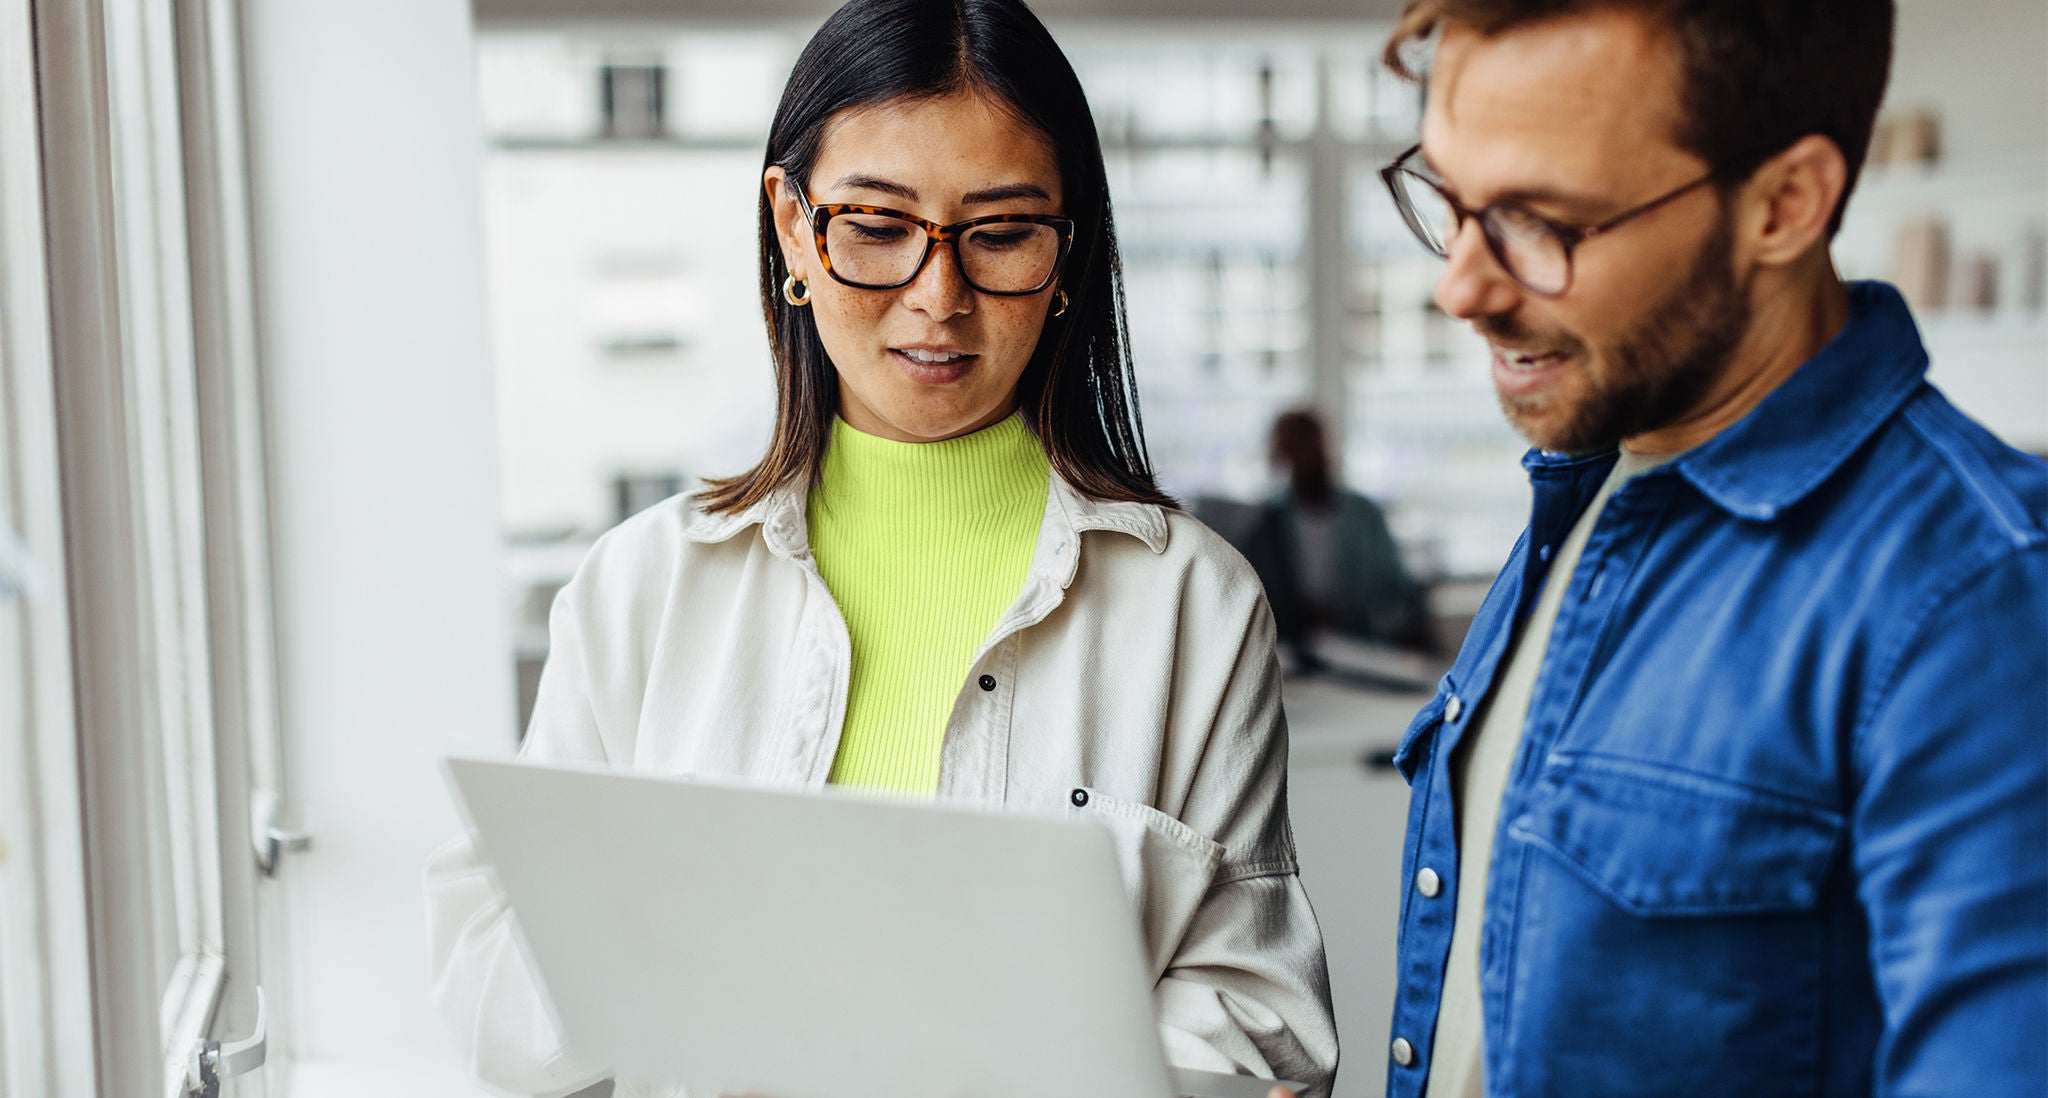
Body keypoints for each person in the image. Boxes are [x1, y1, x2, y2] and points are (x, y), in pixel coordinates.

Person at [426, 1, 1338, 1096]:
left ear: (1067, 255)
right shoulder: (638, 593)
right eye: (875, 226)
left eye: (999, 233)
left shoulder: (1192, 606)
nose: (936, 296)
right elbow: (497, 981)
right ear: (793, 228)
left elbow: (1256, 1022)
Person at [1273, 2, 2047, 1097]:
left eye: (1541, 223)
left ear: (1782, 204)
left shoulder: (1980, 596)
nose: (1460, 286)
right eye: (1448, 196)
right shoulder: (1591, 482)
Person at [1254, 409, 1435, 664]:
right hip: (1292, 653)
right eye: (1293, 450)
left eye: (1308, 447)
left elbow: (1397, 587)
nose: (1303, 459)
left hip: (1360, 649)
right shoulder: (1269, 518)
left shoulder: (1363, 514)